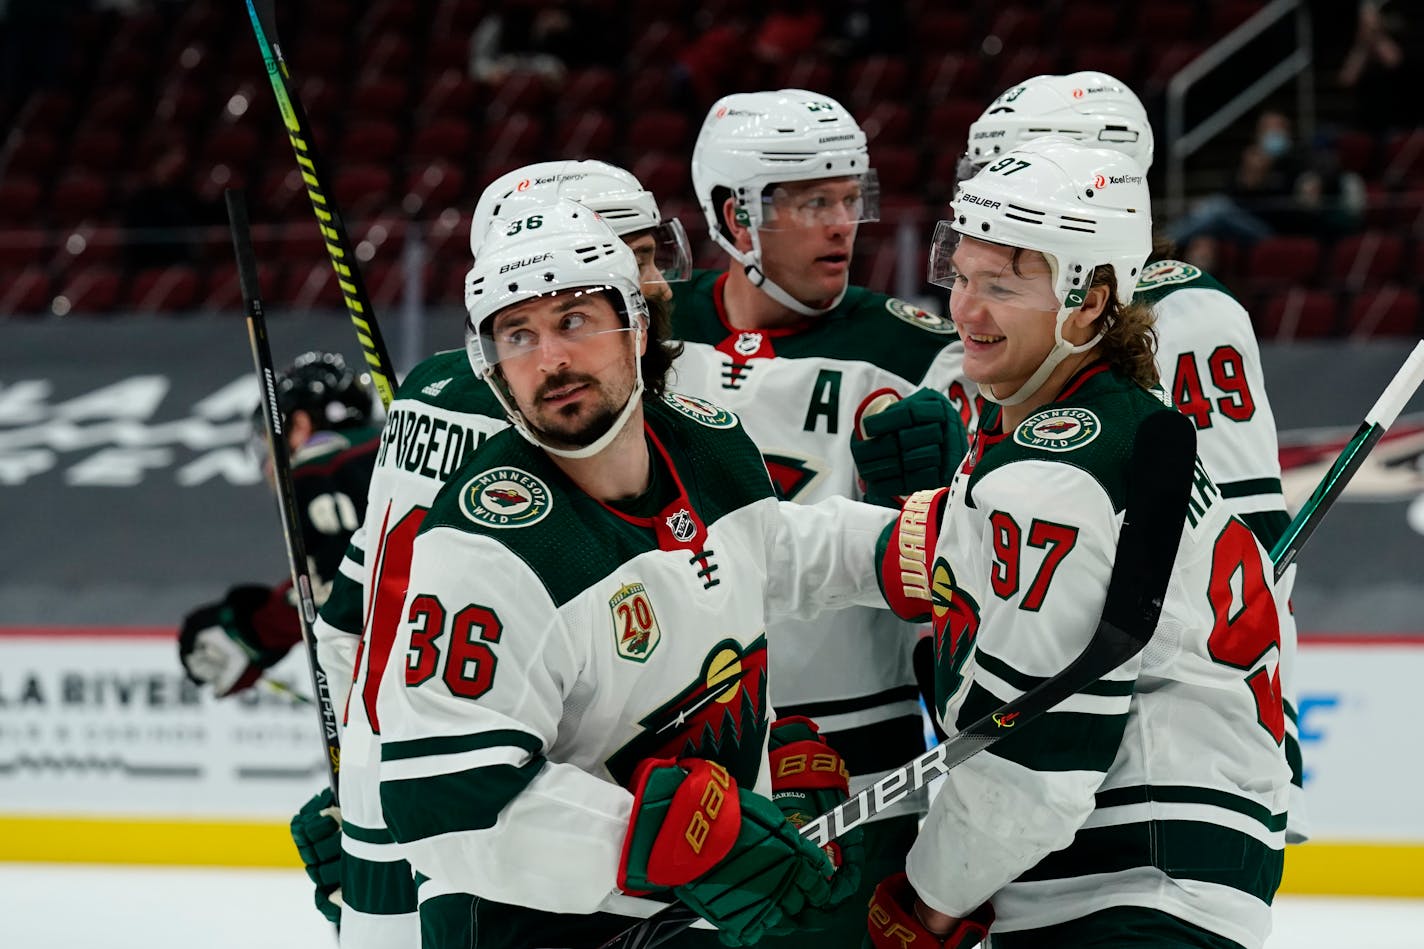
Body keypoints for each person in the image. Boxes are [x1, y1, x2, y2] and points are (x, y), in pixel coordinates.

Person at [371, 196, 893, 948]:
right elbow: (443, 805)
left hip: (689, 911)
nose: (550, 360)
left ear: (638, 324)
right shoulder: (484, 546)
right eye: (519, 335)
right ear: (492, 368)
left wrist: (914, 548)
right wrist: (660, 837)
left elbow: (771, 550)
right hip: (536, 926)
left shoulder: (706, 445)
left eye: (575, 321)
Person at [866, 139, 1291, 949]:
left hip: (1129, 884)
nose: (966, 311)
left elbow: (1038, 761)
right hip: (1162, 878)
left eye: (1002, 285)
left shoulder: (1057, 471)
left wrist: (926, 902)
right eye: (961, 276)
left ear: (1091, 300)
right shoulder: (1104, 433)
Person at [295, 161, 697, 945]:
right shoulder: (574, 415)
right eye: (631, 259)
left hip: (394, 790)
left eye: (651, 258)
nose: (652, 284)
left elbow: (351, 620)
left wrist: (356, 774)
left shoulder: (428, 390)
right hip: (523, 814)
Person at [958, 71, 1308, 840]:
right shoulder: (1026, 331)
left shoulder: (1187, 312)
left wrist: (1257, 704)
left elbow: (1249, 546)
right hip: (1052, 734)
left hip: (1149, 753)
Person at [674, 87, 971, 945]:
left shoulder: (922, 354)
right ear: (734, 214)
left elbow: (962, 573)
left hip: (857, 766)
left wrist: (938, 494)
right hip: (676, 764)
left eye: (851, 198)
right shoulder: (642, 341)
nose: (844, 225)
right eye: (812, 202)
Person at [178, 351, 378, 699]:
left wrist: (248, 630)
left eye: (267, 442)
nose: (267, 466)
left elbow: (346, 590)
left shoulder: (317, 471)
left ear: (299, 426)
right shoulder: (400, 447)